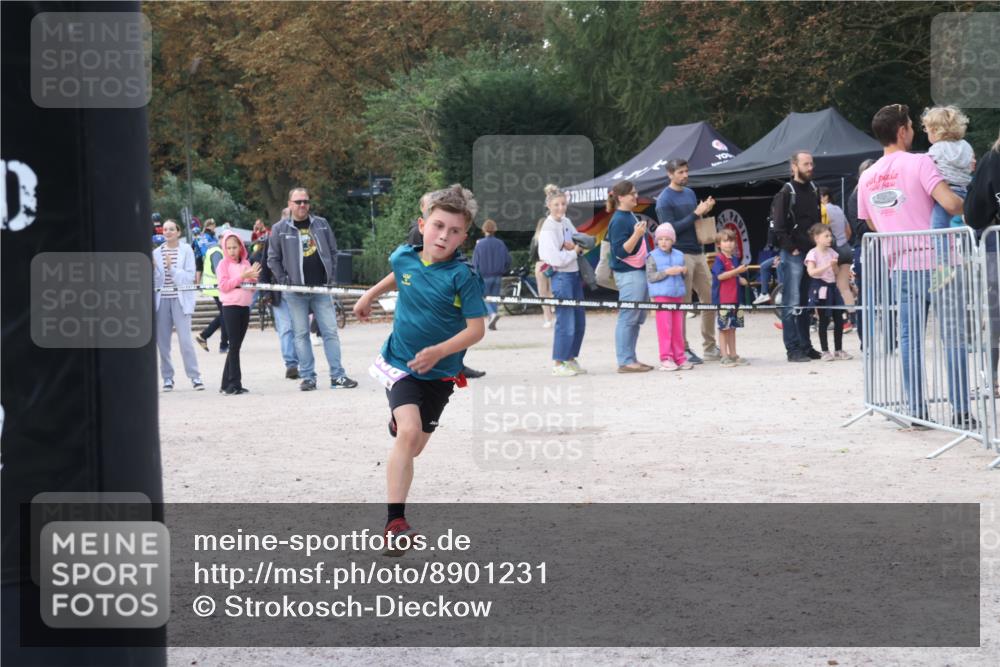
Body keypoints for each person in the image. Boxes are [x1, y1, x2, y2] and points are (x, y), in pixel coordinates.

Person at [352, 185, 486, 553]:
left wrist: (439, 352)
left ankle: (400, 425)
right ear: (422, 224)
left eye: (455, 231)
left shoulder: (462, 277)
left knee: (414, 446)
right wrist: (368, 296)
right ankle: (395, 522)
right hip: (401, 362)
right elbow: (399, 271)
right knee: (408, 434)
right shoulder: (404, 255)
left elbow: (476, 329)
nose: (444, 236)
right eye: (438, 226)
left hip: (441, 374)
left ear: (464, 236)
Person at [856, 103, 968, 427]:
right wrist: (970, 203)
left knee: (909, 339)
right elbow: (949, 202)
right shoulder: (920, 162)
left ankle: (917, 409)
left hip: (900, 265)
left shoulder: (868, 177)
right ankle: (961, 410)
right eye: (910, 125)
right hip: (939, 262)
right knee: (954, 336)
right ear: (902, 131)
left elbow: (872, 224)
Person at [268, 187, 358, 391]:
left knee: (330, 332)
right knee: (300, 334)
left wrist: (331, 277)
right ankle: (308, 377)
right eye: (298, 202)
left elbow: (333, 252)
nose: (302, 205)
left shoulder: (322, 224)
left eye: (306, 202)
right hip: (295, 292)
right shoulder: (280, 228)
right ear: (290, 204)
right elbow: (272, 259)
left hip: (321, 289)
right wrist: (285, 280)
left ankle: (338, 376)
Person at [408, 193, 486, 379]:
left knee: (459, 326)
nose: (444, 235)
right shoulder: (418, 234)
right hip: (428, 290)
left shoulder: (462, 271)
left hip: (450, 284)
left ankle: (455, 362)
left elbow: (476, 329)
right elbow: (410, 265)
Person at [654, 158, 718, 363]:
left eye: (686, 171)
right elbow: (668, 231)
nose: (685, 175)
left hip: (698, 251)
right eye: (680, 172)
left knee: (710, 298)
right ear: (670, 174)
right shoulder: (664, 199)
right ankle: (684, 349)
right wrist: (695, 214)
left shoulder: (690, 193)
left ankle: (709, 346)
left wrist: (704, 210)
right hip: (679, 254)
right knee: (683, 303)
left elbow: (694, 220)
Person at [772, 152, 823, 363]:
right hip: (793, 253)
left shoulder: (814, 189)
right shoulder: (786, 192)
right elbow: (778, 225)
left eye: (812, 163)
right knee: (791, 301)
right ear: (794, 166)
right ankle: (792, 348)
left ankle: (805, 345)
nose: (810, 167)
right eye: (806, 164)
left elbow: (817, 222)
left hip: (810, 253)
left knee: (805, 301)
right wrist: (791, 248)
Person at [921, 105, 976, 291]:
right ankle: (969, 256)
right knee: (967, 226)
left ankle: (943, 266)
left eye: (927, 130)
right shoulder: (966, 146)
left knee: (938, 228)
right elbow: (971, 164)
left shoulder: (935, 150)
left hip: (947, 191)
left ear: (935, 131)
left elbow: (926, 167)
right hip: (965, 191)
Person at [963, 130, 1000, 397]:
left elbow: (975, 212)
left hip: (995, 244)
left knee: (997, 314)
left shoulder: (993, 159)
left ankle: (993, 377)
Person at [538, 184, 587, 376]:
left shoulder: (566, 221)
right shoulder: (548, 228)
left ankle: (571, 358)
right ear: (549, 205)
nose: (561, 208)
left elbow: (578, 239)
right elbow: (555, 260)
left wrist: (573, 246)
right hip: (561, 277)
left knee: (579, 320)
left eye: (563, 204)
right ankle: (558, 363)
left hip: (574, 274)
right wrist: (574, 251)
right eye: (556, 204)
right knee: (566, 321)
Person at [152, 219, 204, 391]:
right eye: (165, 229)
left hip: (181, 300)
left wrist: (171, 268)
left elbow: (189, 277)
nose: (167, 232)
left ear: (178, 232)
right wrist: (153, 269)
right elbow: (155, 280)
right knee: (163, 343)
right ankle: (167, 378)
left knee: (185, 341)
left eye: (171, 229)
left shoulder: (187, 250)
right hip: (162, 301)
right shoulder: (156, 253)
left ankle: (195, 377)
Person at [608, 180, 653, 373]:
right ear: (621, 197)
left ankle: (631, 358)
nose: (636, 196)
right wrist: (637, 235)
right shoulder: (619, 219)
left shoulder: (629, 216)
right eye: (632, 194)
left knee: (635, 318)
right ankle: (625, 361)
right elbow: (620, 252)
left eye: (636, 192)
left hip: (637, 272)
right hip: (629, 274)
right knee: (628, 317)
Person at [254, 208, 299, 378]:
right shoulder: (270, 241)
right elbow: (264, 268)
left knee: (299, 329)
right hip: (278, 292)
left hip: (299, 291)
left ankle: (302, 363)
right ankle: (291, 364)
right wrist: (265, 292)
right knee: (286, 328)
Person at [216, 232, 259, 395]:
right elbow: (224, 285)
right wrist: (242, 276)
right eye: (229, 248)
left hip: (244, 307)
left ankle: (226, 383)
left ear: (241, 247)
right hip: (230, 307)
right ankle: (234, 383)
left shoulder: (247, 262)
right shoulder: (222, 264)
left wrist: (253, 279)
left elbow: (252, 287)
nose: (232, 250)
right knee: (233, 346)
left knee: (236, 346)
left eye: (234, 247)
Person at [646, 223, 690, 371]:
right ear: (657, 240)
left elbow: (684, 277)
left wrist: (684, 271)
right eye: (661, 239)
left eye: (667, 239)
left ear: (673, 240)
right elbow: (651, 277)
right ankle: (666, 358)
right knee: (665, 329)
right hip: (661, 297)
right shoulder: (652, 256)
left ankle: (680, 357)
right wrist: (667, 272)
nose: (664, 242)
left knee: (678, 329)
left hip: (677, 296)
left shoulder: (679, 254)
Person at [805, 224, 851, 360]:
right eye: (826, 236)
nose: (830, 238)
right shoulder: (812, 253)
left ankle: (839, 349)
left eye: (830, 235)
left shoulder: (832, 252)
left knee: (839, 319)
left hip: (833, 287)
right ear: (817, 238)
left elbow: (836, 273)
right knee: (824, 320)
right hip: (820, 288)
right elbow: (811, 272)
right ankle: (825, 350)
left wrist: (834, 266)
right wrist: (827, 266)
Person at [846, 158, 877, 345]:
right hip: (865, 248)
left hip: (883, 247)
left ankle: (892, 338)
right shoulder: (855, 197)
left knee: (888, 293)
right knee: (866, 295)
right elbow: (858, 227)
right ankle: (866, 339)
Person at [711, 228, 749, 367]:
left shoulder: (734, 259)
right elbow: (720, 276)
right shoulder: (719, 259)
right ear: (719, 244)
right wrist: (737, 272)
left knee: (733, 328)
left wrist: (740, 279)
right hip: (723, 299)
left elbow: (734, 276)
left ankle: (733, 354)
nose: (729, 244)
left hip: (735, 299)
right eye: (725, 241)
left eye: (731, 240)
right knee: (723, 329)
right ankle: (724, 355)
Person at [819, 187, 856, 332]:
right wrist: (842, 243)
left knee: (826, 287)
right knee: (844, 287)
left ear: (825, 197)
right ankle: (851, 320)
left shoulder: (823, 210)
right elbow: (849, 231)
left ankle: (825, 320)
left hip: (833, 251)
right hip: (845, 249)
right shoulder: (839, 209)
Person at [471, 218, 512, 331]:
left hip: (483, 275)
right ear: (495, 230)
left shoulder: (480, 245)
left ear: (484, 230)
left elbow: (475, 262)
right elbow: (508, 260)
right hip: (497, 275)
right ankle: (492, 320)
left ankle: (492, 314)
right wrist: (504, 270)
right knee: (494, 298)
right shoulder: (500, 243)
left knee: (483, 297)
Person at [195, 232, 229, 354]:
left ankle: (207, 337)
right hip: (217, 288)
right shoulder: (217, 252)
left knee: (224, 315)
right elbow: (218, 271)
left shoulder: (214, 249)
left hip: (215, 287)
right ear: (220, 239)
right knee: (225, 315)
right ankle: (222, 344)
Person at [530, 217, 555, 328]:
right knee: (551, 290)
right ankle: (555, 309)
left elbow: (532, 255)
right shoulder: (552, 237)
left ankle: (548, 318)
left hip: (540, 264)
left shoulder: (536, 238)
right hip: (551, 263)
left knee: (542, 293)